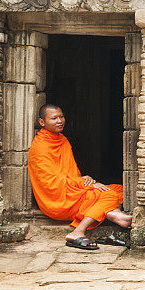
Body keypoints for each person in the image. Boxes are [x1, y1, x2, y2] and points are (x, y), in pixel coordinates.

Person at [28, 104, 132, 250]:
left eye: (61, 116)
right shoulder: (39, 147)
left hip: (72, 191)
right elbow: (50, 184)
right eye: (54, 118)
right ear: (42, 122)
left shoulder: (62, 140)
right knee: (108, 195)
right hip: (57, 199)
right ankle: (78, 231)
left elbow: (73, 174)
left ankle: (111, 214)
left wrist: (83, 180)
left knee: (120, 190)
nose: (60, 121)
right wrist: (86, 184)